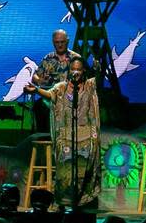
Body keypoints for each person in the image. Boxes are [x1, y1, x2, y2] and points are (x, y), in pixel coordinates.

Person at [25, 56, 101, 208]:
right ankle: (65, 201)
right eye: (73, 69)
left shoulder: (89, 85)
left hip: (86, 137)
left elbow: (98, 78)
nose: (75, 72)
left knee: (83, 170)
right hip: (66, 137)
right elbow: (51, 95)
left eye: (78, 69)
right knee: (66, 170)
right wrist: (37, 90)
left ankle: (84, 201)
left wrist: (98, 69)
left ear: (83, 70)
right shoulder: (61, 87)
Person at [31, 29, 79, 134]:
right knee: (40, 106)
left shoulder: (76, 59)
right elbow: (35, 76)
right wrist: (39, 80)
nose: (60, 45)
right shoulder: (48, 58)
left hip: (69, 97)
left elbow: (84, 79)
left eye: (62, 42)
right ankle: (44, 139)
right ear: (53, 42)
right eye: (57, 42)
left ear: (67, 41)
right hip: (50, 97)